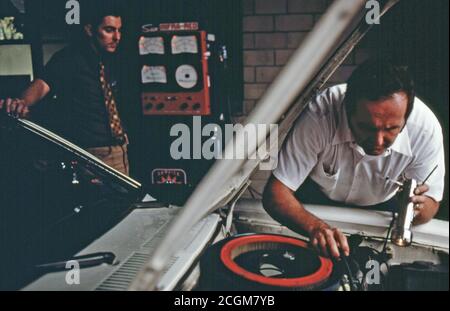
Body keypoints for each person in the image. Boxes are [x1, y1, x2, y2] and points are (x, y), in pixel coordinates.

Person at [262, 58, 445, 259]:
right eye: (367, 127)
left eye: (391, 129)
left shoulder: (426, 130)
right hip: (315, 200)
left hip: (386, 206)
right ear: (348, 110)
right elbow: (276, 193)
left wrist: (417, 208)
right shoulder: (320, 114)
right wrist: (315, 227)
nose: (378, 140)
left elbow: (431, 205)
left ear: (406, 117)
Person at [0, 5, 130, 175]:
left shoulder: (113, 60)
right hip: (93, 153)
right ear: (90, 30)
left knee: (124, 200)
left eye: (119, 30)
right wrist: (21, 103)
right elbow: (42, 85)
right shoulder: (69, 59)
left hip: (121, 149)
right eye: (109, 30)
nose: (117, 37)